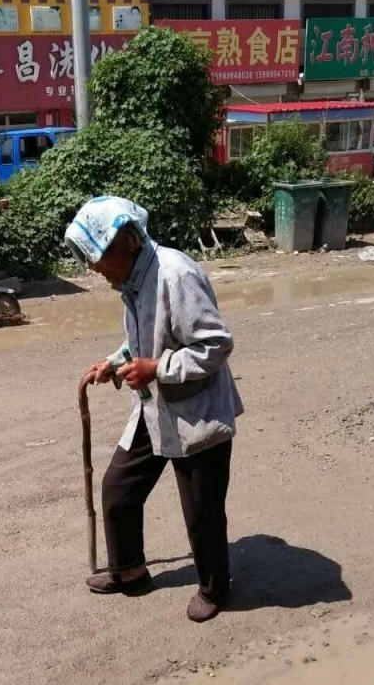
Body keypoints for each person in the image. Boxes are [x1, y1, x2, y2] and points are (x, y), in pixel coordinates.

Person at [66, 197, 243, 624]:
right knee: (119, 489)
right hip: (156, 405)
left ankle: (214, 588)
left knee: (201, 512)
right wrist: (115, 360)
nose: (95, 269)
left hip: (197, 411)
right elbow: (146, 337)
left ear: (127, 241)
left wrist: (157, 368)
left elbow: (216, 344)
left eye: (99, 258)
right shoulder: (133, 280)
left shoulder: (176, 274)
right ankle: (129, 571)